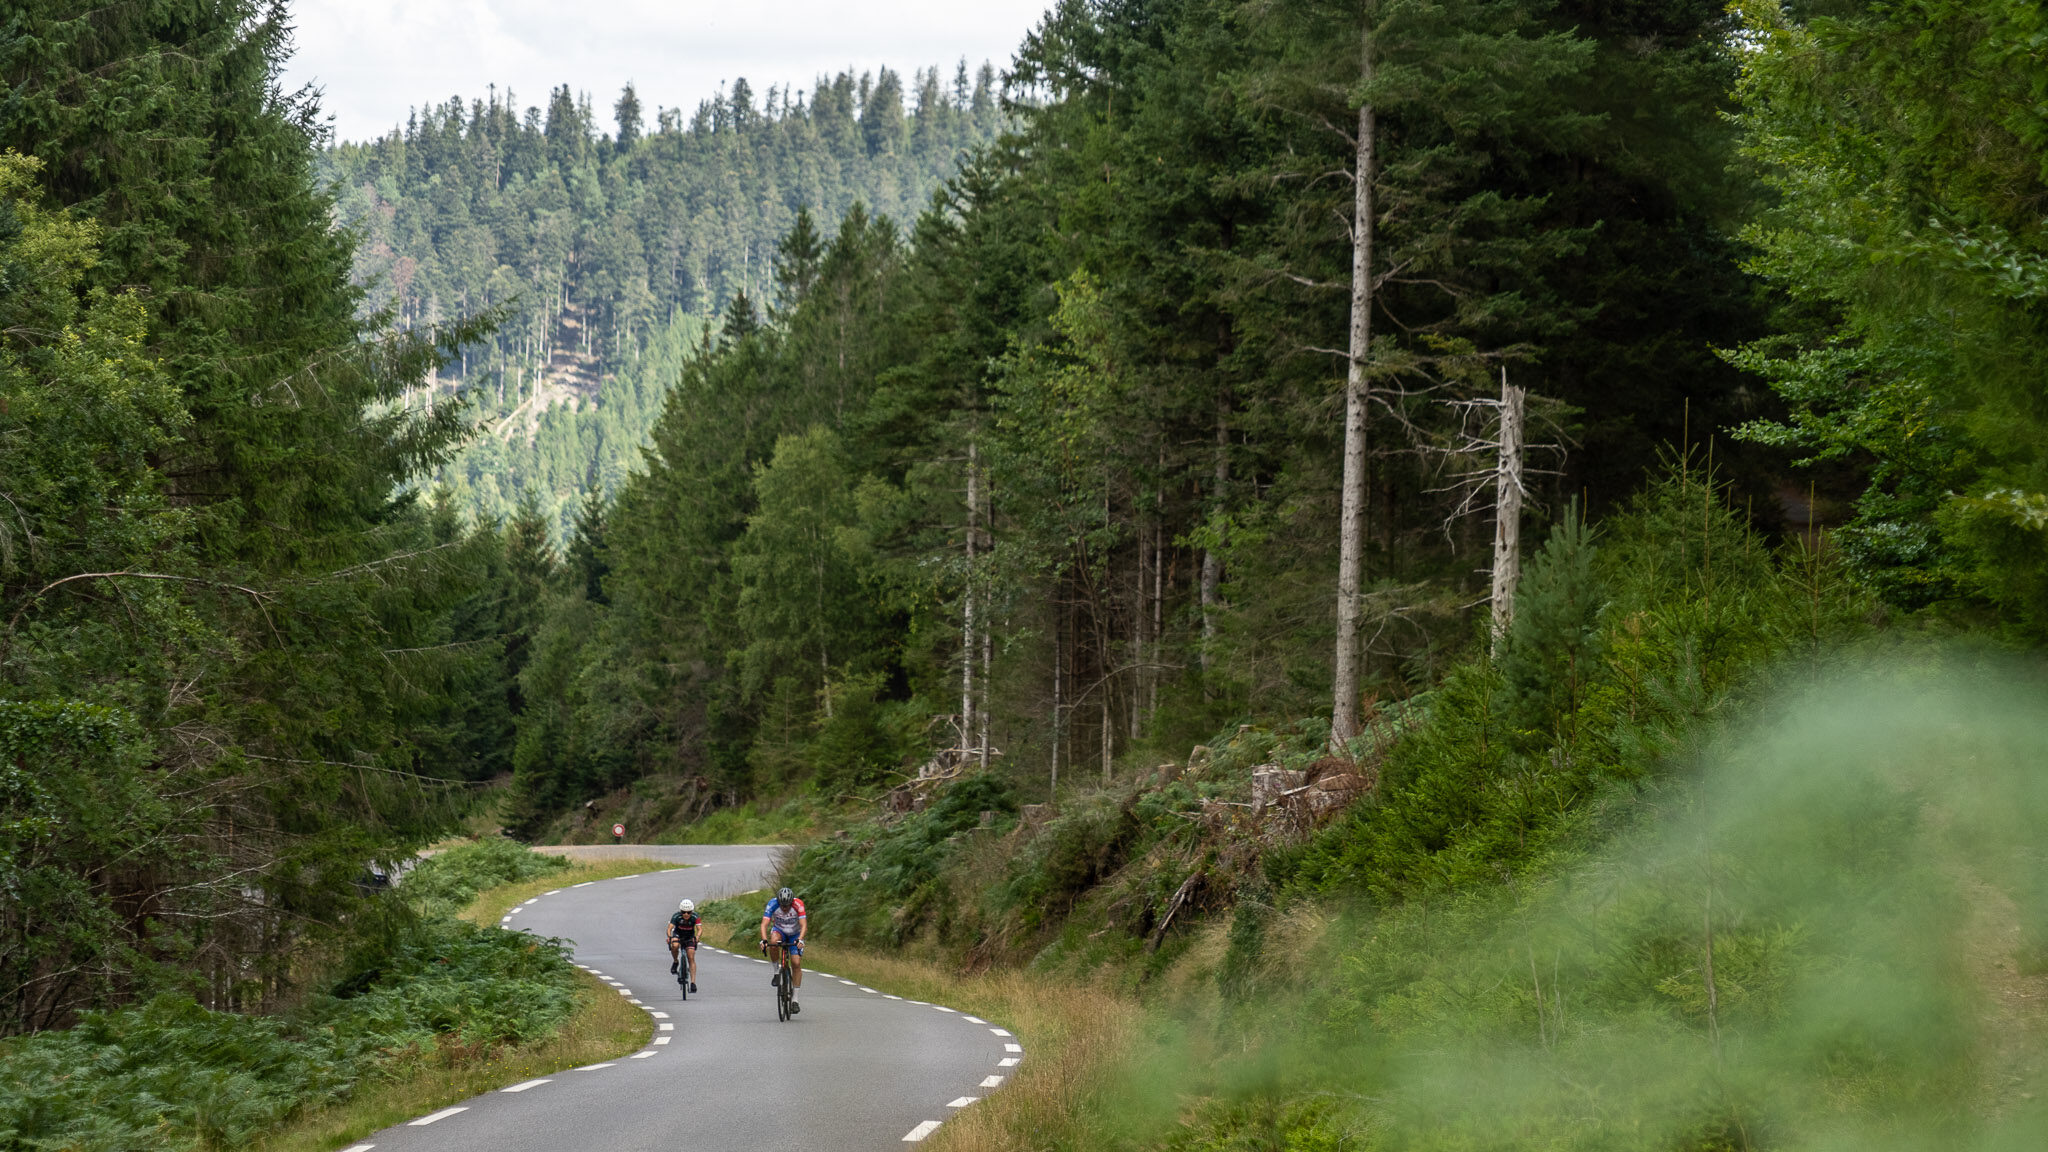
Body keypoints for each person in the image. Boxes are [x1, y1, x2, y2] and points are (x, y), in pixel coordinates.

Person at [759, 886, 806, 1013]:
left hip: (795, 934)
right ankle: (776, 972)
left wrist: (800, 939)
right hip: (779, 931)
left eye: (787, 906)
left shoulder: (798, 904)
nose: (784, 908)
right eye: (782, 906)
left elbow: (803, 925)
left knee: (796, 963)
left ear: (791, 902)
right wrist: (763, 940)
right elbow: (764, 924)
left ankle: (795, 1000)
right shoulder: (772, 904)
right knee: (773, 943)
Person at [667, 899, 701, 993]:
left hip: (689, 937)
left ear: (692, 912)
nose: (686, 914)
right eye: (683, 912)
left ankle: (693, 983)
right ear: (680, 911)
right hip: (678, 935)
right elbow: (670, 928)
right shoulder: (676, 916)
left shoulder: (695, 917)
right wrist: (670, 937)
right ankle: (675, 961)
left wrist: (697, 937)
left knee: (691, 957)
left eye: (688, 912)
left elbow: (699, 929)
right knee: (675, 945)